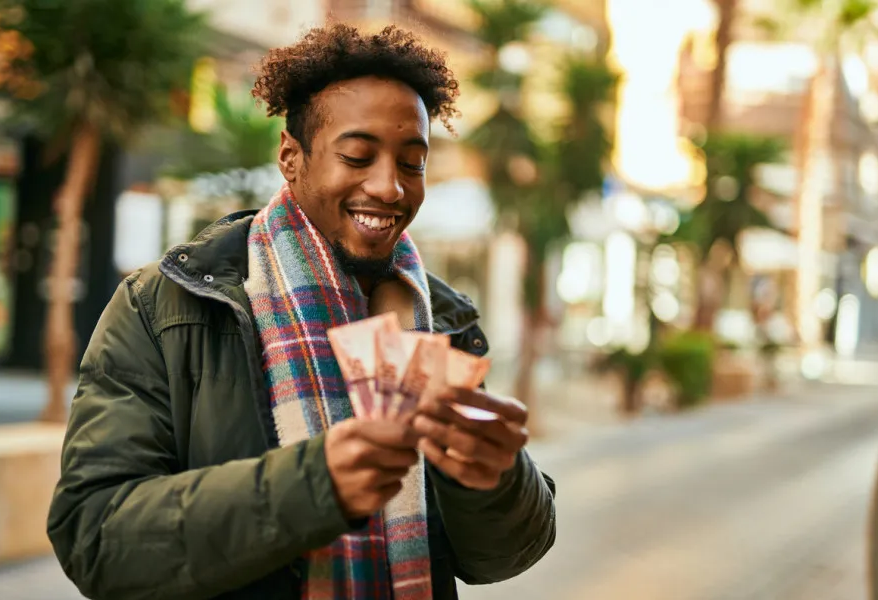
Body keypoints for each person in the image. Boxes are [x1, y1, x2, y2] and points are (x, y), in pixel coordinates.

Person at [47, 24, 556, 600]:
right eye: (358, 155)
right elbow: (94, 538)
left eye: (413, 163)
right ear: (292, 157)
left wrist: (497, 479)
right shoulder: (164, 305)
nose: (391, 187)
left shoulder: (442, 320)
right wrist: (314, 484)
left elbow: (500, 557)